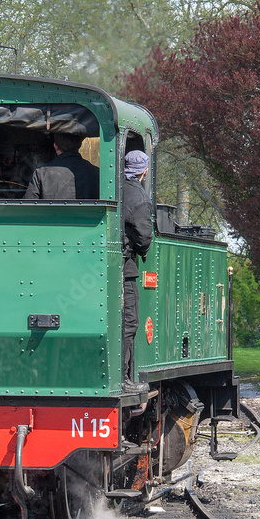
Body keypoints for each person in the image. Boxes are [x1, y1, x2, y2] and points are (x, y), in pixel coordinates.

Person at [122, 150, 154, 395]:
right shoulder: (139, 197)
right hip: (124, 268)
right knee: (129, 322)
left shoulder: (112, 187)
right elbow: (143, 239)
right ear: (144, 172)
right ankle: (123, 378)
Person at [23, 133, 100, 200]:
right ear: (80, 145)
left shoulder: (40, 173)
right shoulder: (96, 172)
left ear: (55, 146)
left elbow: (28, 208)